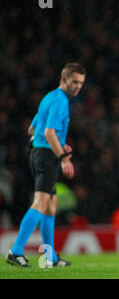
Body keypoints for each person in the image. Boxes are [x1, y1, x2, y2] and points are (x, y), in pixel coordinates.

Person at [6, 63, 86, 268]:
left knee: (50, 207)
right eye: (74, 82)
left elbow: (32, 128)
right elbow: (49, 132)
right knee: (40, 204)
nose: (78, 87)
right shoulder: (60, 101)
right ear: (64, 79)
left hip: (40, 154)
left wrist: (56, 143)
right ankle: (15, 251)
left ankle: (50, 257)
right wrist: (63, 158)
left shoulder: (49, 97)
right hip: (46, 157)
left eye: (81, 83)